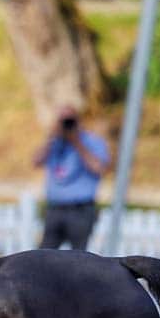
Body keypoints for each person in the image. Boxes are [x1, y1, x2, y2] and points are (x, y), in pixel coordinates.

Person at [34, 106, 110, 251]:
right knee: (44, 256)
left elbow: (98, 168)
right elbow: (36, 162)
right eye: (62, 120)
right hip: (55, 209)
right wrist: (50, 138)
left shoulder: (92, 142)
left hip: (80, 210)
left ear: (79, 121)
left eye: (70, 120)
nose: (66, 124)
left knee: (78, 258)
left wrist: (77, 142)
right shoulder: (54, 142)